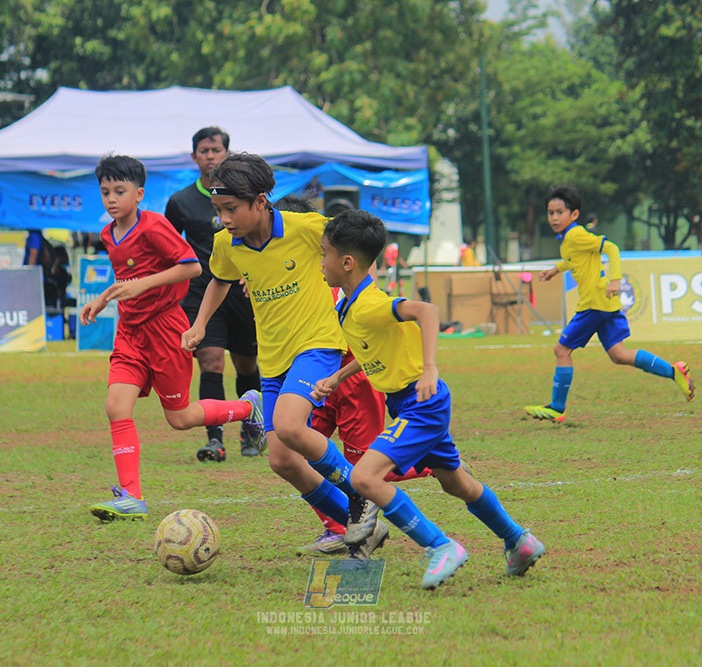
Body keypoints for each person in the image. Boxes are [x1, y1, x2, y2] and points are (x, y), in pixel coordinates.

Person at [312, 209, 545, 589]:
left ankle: (440, 546)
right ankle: (519, 541)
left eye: (324, 254)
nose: (321, 262)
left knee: (364, 477)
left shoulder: (370, 303)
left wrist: (430, 367)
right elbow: (372, 352)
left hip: (422, 401)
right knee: (457, 484)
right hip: (409, 404)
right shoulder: (349, 306)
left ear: (347, 262)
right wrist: (337, 377)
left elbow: (427, 310)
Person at [182, 153, 387, 558]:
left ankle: (363, 491)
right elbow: (219, 282)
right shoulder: (227, 244)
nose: (223, 218)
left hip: (317, 344)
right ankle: (349, 525)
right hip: (272, 359)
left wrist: (363, 304)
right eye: (218, 210)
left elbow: (354, 256)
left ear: (260, 201)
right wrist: (200, 323)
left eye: (231, 209)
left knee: (291, 427)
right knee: (282, 460)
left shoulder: (308, 228)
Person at [80, 155, 264, 522]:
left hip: (165, 331)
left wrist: (140, 286)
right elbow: (125, 279)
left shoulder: (154, 226)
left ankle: (248, 408)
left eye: (120, 191)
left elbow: (192, 266)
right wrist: (104, 297)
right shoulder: (106, 234)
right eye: (105, 192)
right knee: (116, 406)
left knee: (179, 419)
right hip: (130, 334)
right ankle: (131, 496)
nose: (111, 199)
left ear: (139, 193)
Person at [276, 196, 433, 557]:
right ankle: (336, 526)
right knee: (300, 452)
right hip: (321, 382)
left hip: (355, 383)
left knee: (363, 471)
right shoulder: (300, 274)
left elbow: (383, 317)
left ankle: (428, 464)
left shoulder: (344, 277)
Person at [523, 185, 694, 423]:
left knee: (561, 350)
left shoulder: (576, 234)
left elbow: (611, 248)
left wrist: (616, 279)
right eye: (550, 212)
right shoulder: (568, 239)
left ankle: (557, 407)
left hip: (593, 305)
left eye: (559, 212)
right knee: (619, 354)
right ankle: (673, 371)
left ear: (574, 215)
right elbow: (573, 259)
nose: (553, 217)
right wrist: (556, 270)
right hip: (606, 304)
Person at [165, 127, 263, 461]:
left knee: (246, 363)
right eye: (204, 150)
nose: (210, 155)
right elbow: (169, 249)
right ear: (194, 157)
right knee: (210, 360)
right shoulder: (180, 202)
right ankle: (214, 439)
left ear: (227, 154)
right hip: (201, 294)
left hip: (243, 292)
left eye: (216, 150)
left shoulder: (248, 200)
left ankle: (252, 430)